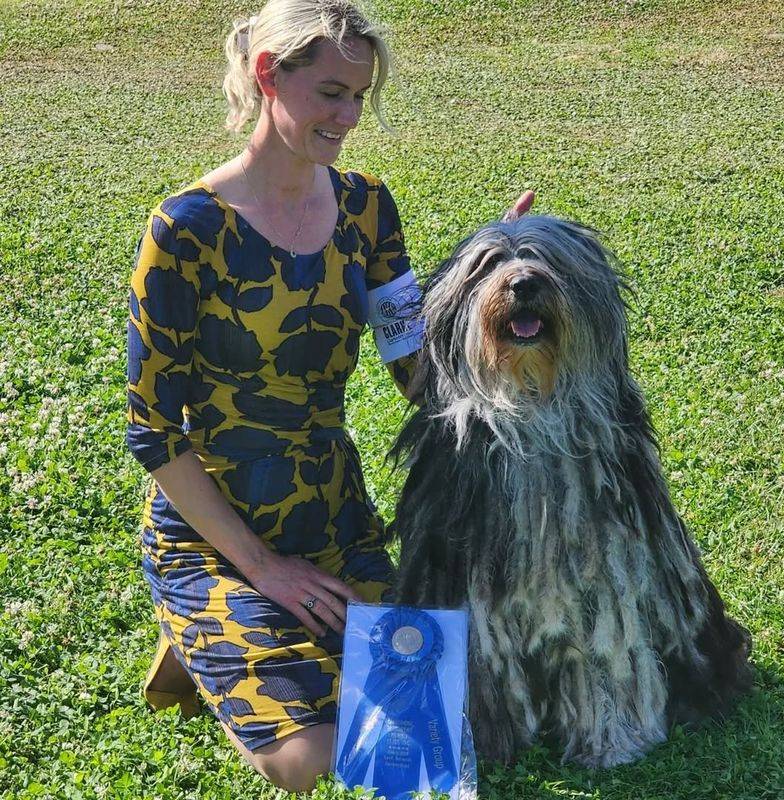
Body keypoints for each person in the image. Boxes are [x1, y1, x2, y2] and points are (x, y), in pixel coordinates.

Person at [126, 0, 533, 792]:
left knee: (439, 725)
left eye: (359, 96)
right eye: (332, 93)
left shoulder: (366, 205)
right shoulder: (185, 228)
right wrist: (265, 569)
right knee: (309, 761)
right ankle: (209, 619)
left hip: (333, 514)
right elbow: (151, 432)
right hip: (215, 531)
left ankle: (236, 641)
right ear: (268, 75)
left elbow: (415, 363)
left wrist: (483, 281)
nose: (349, 116)